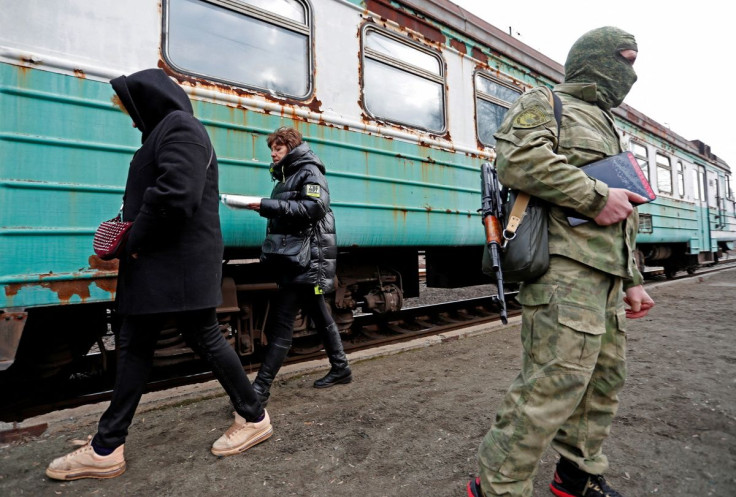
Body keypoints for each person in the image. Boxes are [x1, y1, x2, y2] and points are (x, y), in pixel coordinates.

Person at [46, 69, 271, 481]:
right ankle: (107, 445)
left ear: (148, 101)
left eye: (131, 108)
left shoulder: (179, 127)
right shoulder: (168, 131)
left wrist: (132, 239)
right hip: (165, 264)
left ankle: (251, 417)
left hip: (172, 264)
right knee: (139, 344)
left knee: (186, 339)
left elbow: (176, 195)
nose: (131, 118)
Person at [467, 27, 655, 497]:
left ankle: (577, 477)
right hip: (564, 272)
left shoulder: (608, 123)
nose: (631, 72)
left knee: (602, 383)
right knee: (551, 384)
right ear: (594, 59)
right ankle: (497, 488)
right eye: (625, 59)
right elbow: (520, 160)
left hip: (607, 279)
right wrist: (594, 197)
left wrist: (632, 278)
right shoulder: (545, 102)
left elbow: (621, 214)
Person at [242, 126, 351, 407]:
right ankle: (341, 368)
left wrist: (268, 205)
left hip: (305, 260)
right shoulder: (290, 175)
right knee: (320, 315)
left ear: (290, 147)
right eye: (272, 149)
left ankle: (259, 391)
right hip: (296, 259)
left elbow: (315, 208)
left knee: (282, 323)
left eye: (277, 148)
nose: (273, 153)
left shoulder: (310, 171)